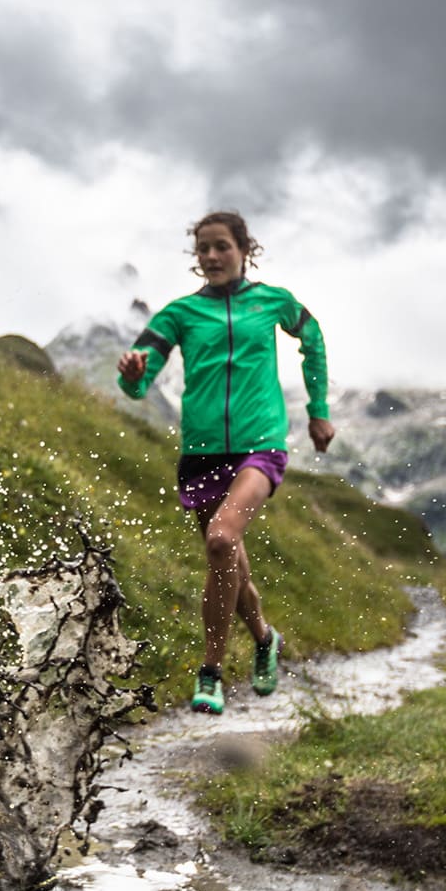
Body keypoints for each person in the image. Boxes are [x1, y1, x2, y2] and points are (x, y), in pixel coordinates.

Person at [117, 212, 334, 715]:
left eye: (221, 247)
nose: (211, 257)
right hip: (202, 453)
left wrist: (318, 411)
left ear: (243, 250)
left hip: (261, 445)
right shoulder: (180, 314)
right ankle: (264, 639)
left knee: (220, 538)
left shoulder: (272, 302)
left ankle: (210, 671)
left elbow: (313, 338)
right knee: (228, 561)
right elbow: (135, 381)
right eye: (203, 250)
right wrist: (131, 373)